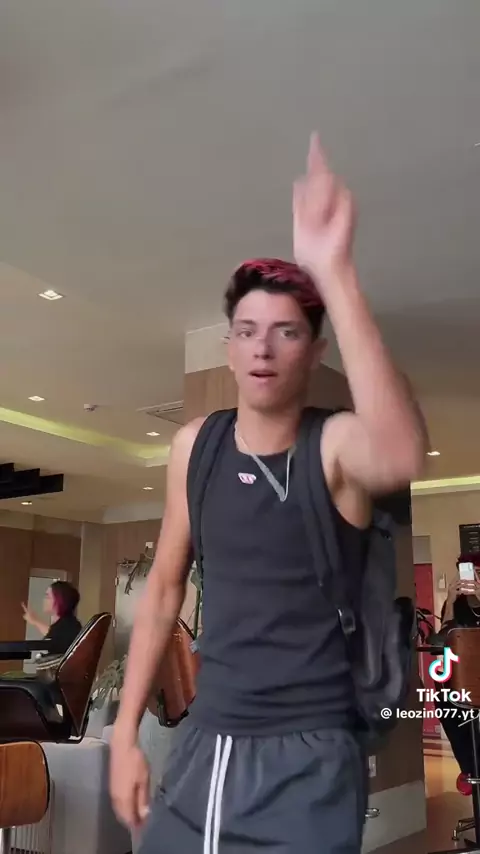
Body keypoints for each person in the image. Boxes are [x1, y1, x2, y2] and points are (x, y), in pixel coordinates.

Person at [109, 133, 427, 853]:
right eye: (247, 331)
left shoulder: (333, 447)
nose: (261, 347)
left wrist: (334, 273)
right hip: (209, 742)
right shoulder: (196, 445)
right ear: (229, 347)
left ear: (314, 352)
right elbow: (163, 590)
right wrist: (124, 733)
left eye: (286, 332)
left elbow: (400, 451)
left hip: (313, 755)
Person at [434, 555, 480, 795]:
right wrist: (451, 600)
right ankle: (470, 767)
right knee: (443, 699)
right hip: (464, 674)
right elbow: (445, 634)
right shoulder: (457, 603)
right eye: (469, 572)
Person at [22, 580, 82, 655]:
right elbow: (54, 635)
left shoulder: (71, 625)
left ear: (59, 599)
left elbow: (56, 637)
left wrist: (35, 621)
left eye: (47, 596)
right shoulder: (63, 625)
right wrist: (34, 621)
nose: (44, 600)